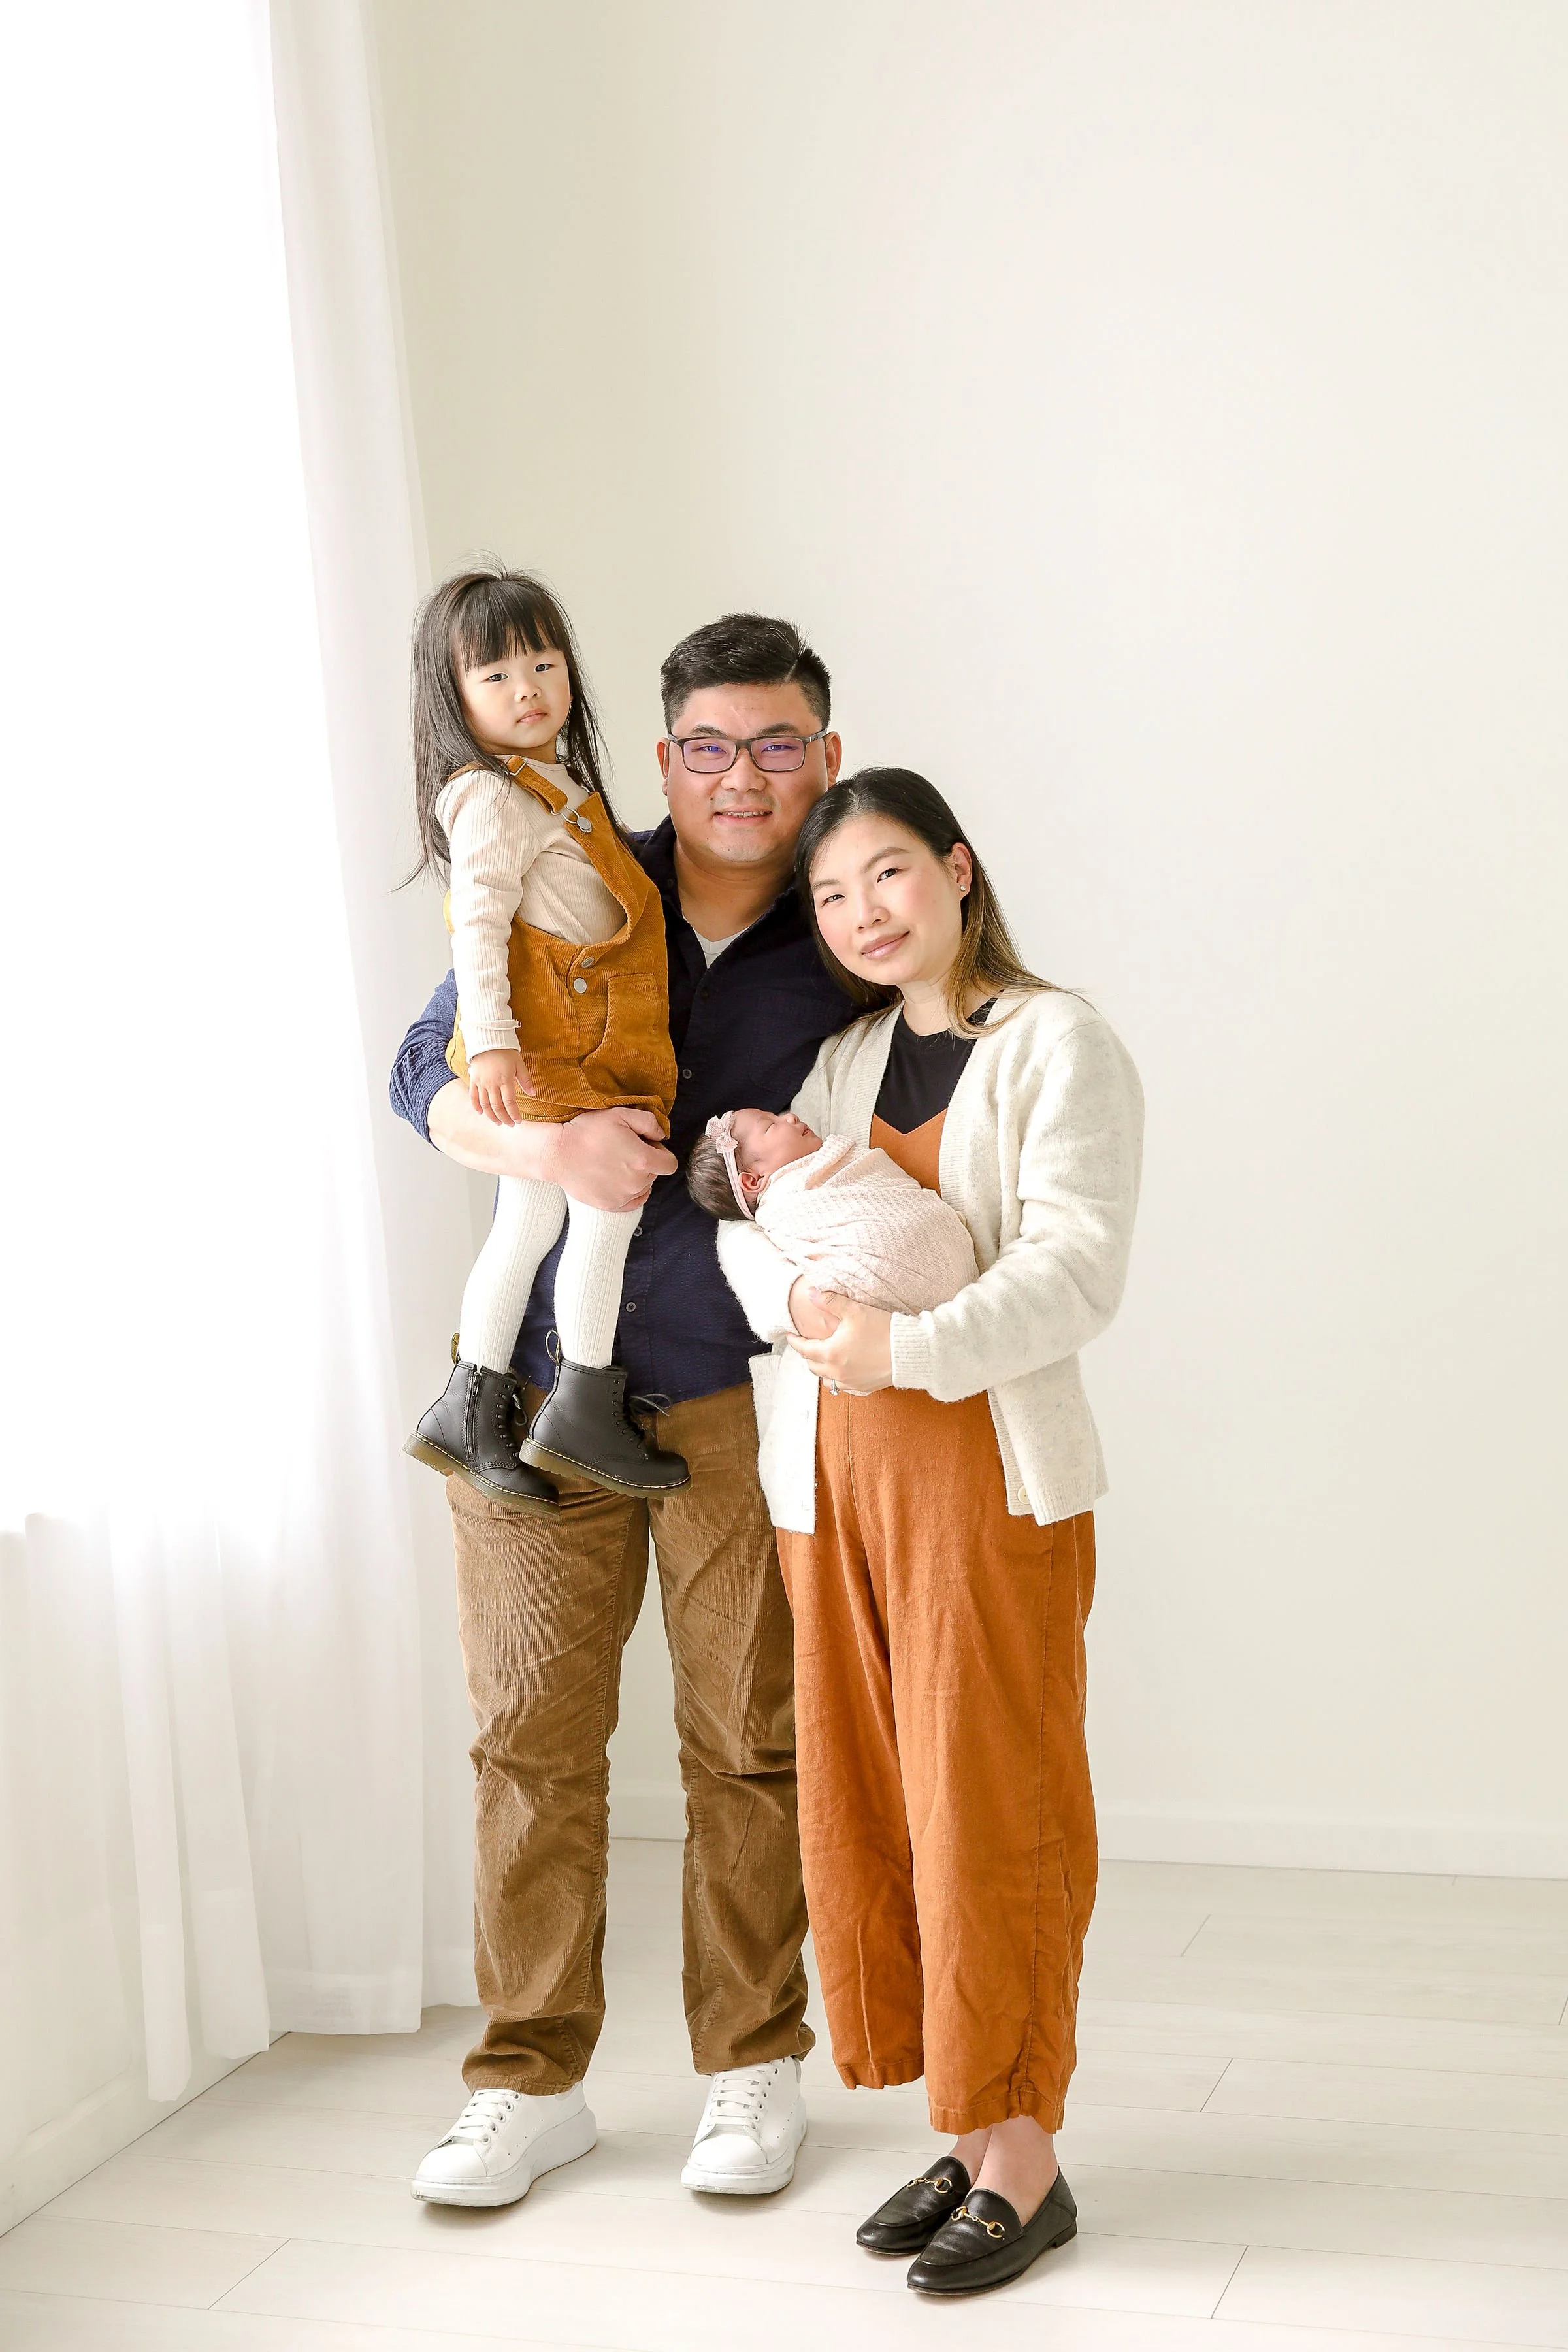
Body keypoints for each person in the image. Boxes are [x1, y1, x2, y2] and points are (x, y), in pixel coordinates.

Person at [389, 615, 855, 2208]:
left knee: (748, 1744)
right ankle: (528, 2083)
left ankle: (750, 2065)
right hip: (527, 1395)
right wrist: (546, 1149)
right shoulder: (573, 859)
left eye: (777, 743)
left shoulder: (852, 923)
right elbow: (424, 1062)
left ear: (825, 756)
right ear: (664, 757)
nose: (743, 776)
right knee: (528, 1744)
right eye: (710, 746)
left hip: (736, 1393)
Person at [716, 767, 1143, 2297]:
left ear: (957, 869)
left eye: (887, 873)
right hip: (829, 1484)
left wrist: (900, 1347)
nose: (864, 913)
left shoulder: (1056, 1043)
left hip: (984, 1480)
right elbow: (745, 1233)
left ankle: (1025, 2156)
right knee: (879, 1809)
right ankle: (967, 2126)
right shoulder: (838, 1063)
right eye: (832, 895)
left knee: (992, 1808)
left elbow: (1075, 1271)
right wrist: (801, 1301)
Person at [403, 564, 688, 1504]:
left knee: (528, 1221)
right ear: (454, 698)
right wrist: (488, 1038)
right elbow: (478, 921)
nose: (527, 688)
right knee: (606, 1208)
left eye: (543, 664)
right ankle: (581, 1408)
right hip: (557, 1048)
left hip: (564, 1041)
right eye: (495, 675)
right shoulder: (489, 795)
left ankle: (469, 1404)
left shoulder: (550, 784)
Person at [687, 1107, 978, 1312]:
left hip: (944, 1271)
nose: (790, 1117)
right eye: (771, 1125)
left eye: (776, 1115)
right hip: (876, 1292)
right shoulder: (784, 1207)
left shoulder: (828, 1169)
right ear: (754, 1180)